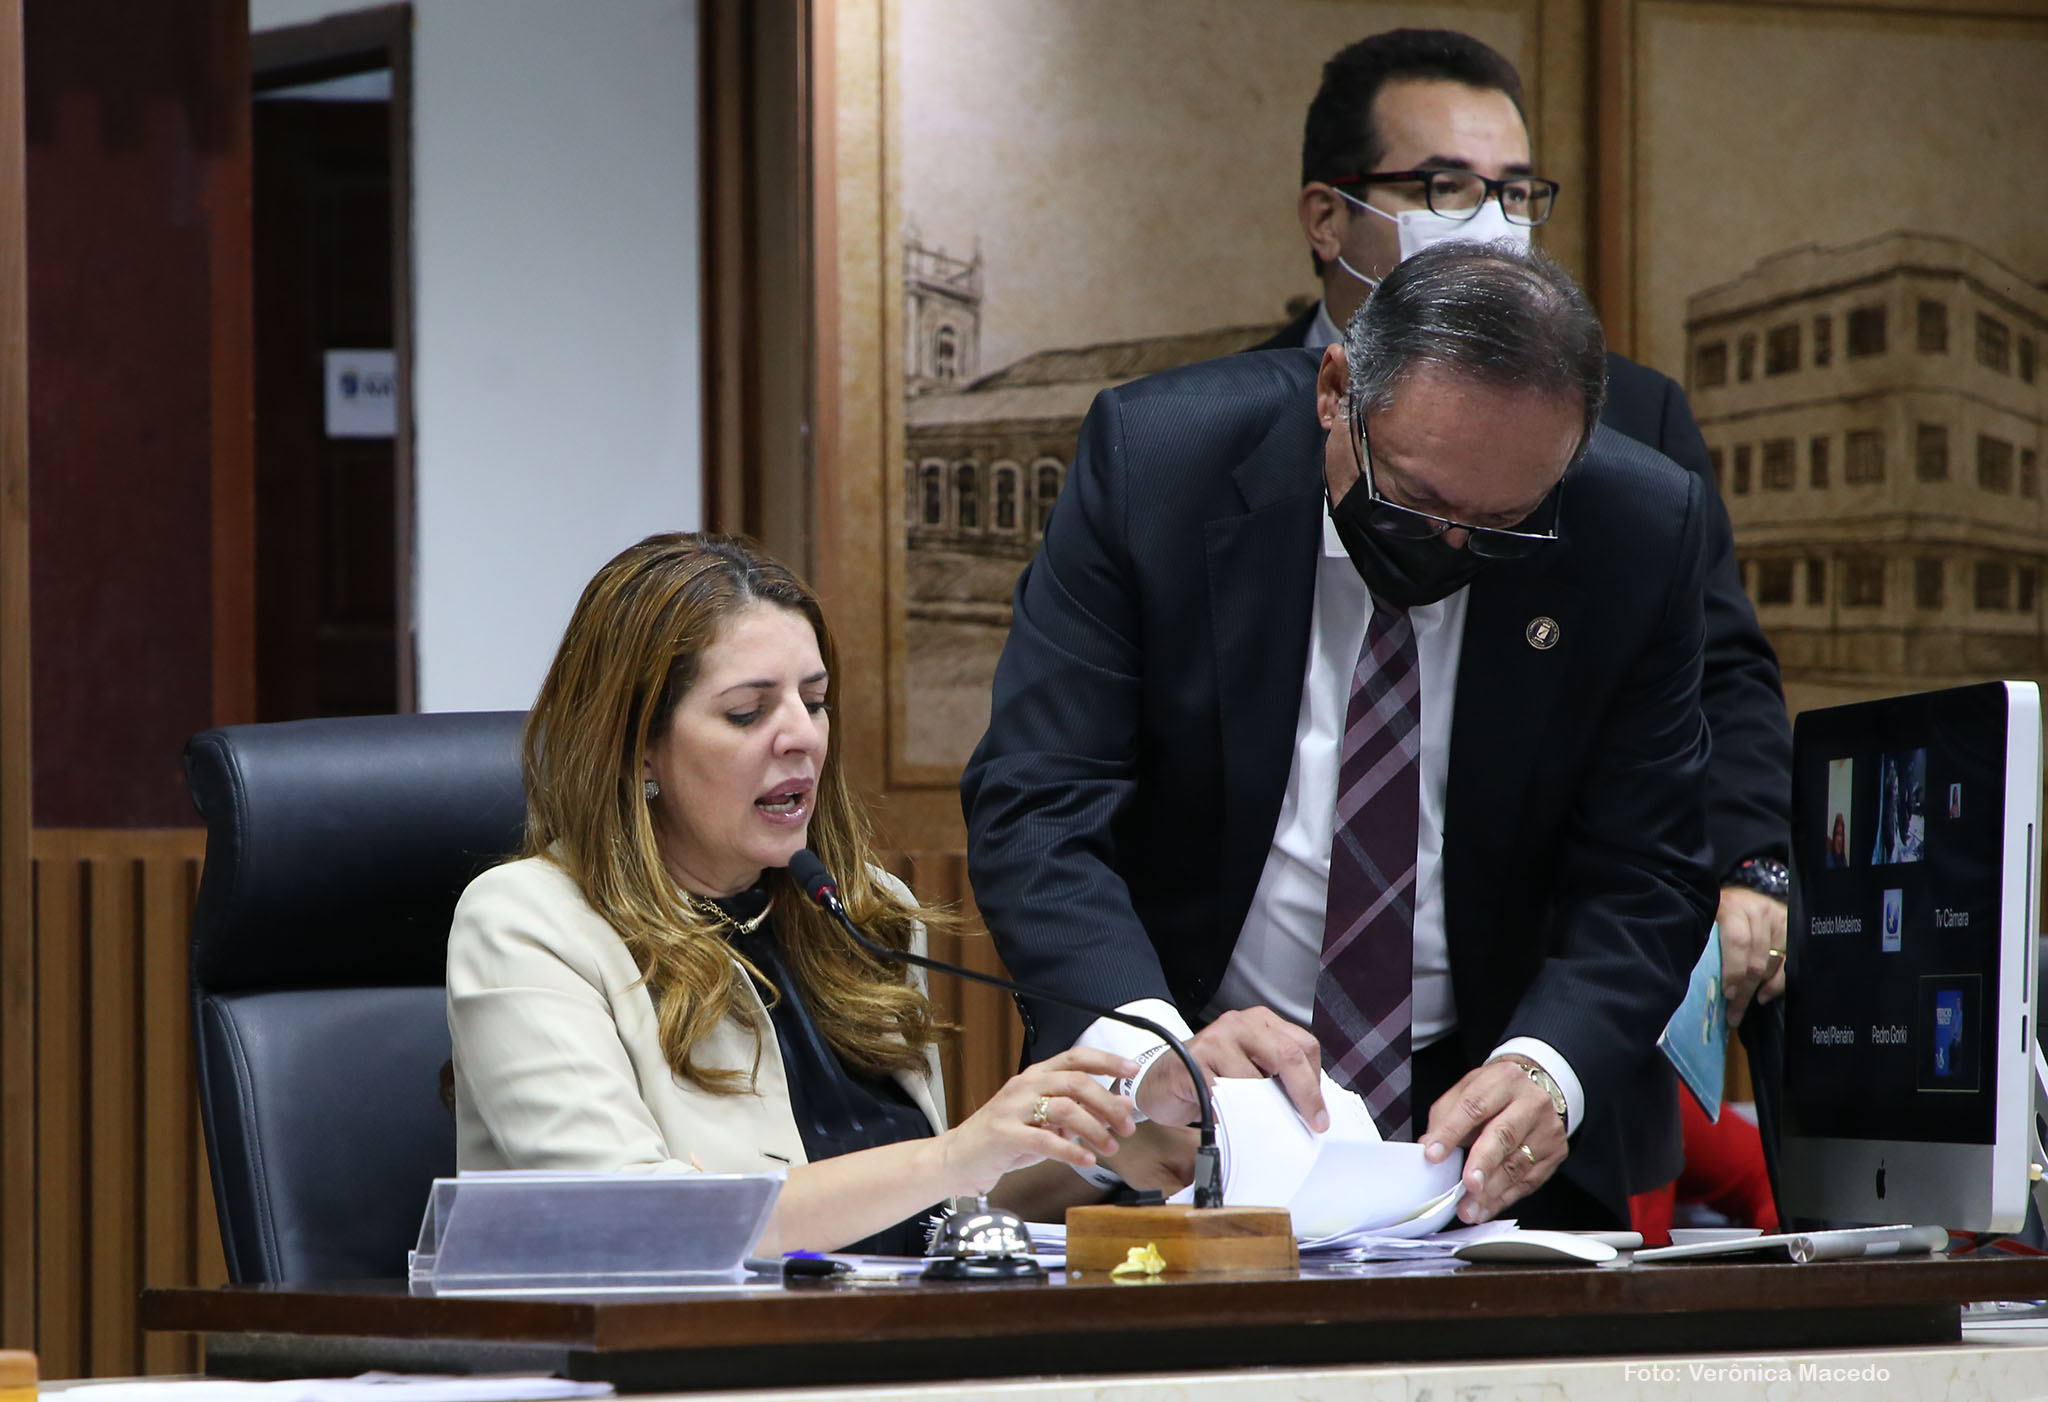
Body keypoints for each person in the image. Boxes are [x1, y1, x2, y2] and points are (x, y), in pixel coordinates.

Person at [964, 242, 1716, 1229]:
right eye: (1418, 499)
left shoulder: (1639, 528)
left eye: (1501, 522)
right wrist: (1154, 1054)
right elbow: (1038, 803)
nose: (1451, 545)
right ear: (1335, 393)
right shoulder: (1159, 462)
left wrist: (1547, 1066)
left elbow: (1649, 869)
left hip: (1480, 1113)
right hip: (1188, 1087)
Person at [1257, 30, 1792, 1029]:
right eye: (1445, 187)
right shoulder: (1211, 430)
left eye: (1512, 192)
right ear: (1328, 217)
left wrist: (1749, 861)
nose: (1490, 223)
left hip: (1533, 1000)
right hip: (1241, 1036)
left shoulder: (1630, 428)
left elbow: (1718, 673)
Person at [447, 533, 1138, 1255]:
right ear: (638, 746)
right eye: (748, 713)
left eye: (814, 702)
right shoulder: (527, 926)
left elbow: (927, 1213)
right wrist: (951, 1155)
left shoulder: (863, 911)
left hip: (887, 1324)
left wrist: (1106, 1144)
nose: (801, 737)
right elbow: (633, 1221)